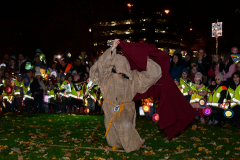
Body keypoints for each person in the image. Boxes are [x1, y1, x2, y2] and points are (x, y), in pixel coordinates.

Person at [90, 39, 162, 152]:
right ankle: (123, 143)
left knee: (126, 129)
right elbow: (100, 67)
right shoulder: (107, 77)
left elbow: (153, 74)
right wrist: (112, 49)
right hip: (111, 109)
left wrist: (142, 58)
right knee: (113, 140)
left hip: (126, 110)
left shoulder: (133, 78)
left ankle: (132, 145)